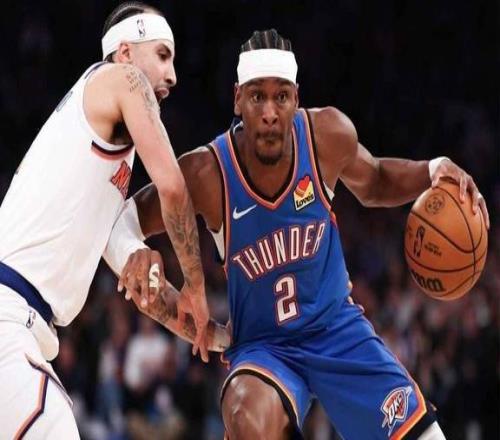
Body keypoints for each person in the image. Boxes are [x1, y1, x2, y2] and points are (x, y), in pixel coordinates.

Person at [114, 30, 489, 439]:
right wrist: (133, 249)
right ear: (237, 99)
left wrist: (433, 168)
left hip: (336, 329)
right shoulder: (207, 172)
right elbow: (126, 216)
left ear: (296, 98)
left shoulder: (326, 135)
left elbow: (376, 180)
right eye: (257, 96)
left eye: (281, 96)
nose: (270, 112)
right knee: (244, 411)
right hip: (263, 348)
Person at [0, 2, 227, 438]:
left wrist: (221, 337)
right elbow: (173, 188)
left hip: (23, 327)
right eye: (162, 55)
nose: (172, 75)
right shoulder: (120, 79)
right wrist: (197, 286)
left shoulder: (101, 160)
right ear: (125, 52)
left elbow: (144, 291)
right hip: (9, 318)